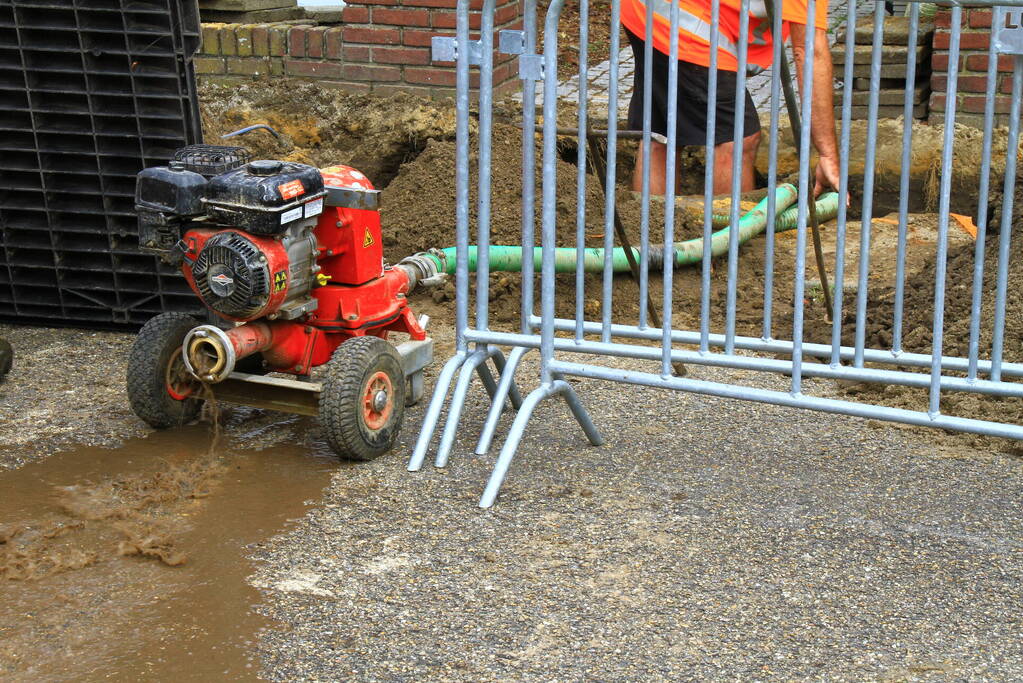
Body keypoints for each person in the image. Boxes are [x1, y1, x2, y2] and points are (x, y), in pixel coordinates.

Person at [621, 0, 841, 198]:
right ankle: (727, 235)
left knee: (662, 133)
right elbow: (809, 52)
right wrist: (828, 155)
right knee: (737, 137)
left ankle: (650, 232)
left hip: (646, 10)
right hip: (683, 17)